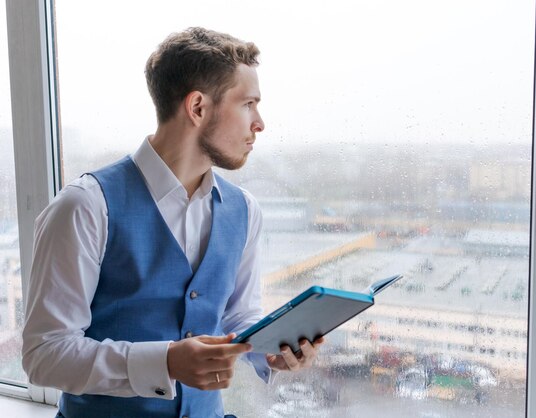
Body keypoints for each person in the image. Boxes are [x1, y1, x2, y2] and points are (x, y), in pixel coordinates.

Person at [21, 27, 324, 418]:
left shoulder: (244, 209)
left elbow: (237, 315)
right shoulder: (85, 206)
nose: (260, 123)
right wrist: (164, 362)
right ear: (198, 107)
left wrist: (275, 348)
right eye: (248, 104)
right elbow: (45, 354)